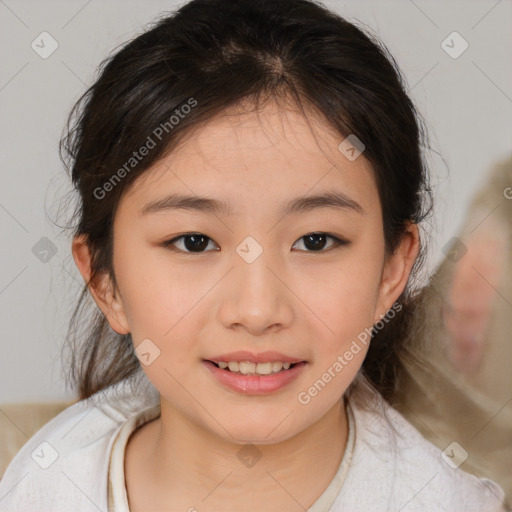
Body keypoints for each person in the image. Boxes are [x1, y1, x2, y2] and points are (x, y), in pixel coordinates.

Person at [0, 0, 507, 510]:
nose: (258, 310)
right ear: (105, 281)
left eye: (316, 241)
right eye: (193, 242)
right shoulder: (43, 485)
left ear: (391, 271)